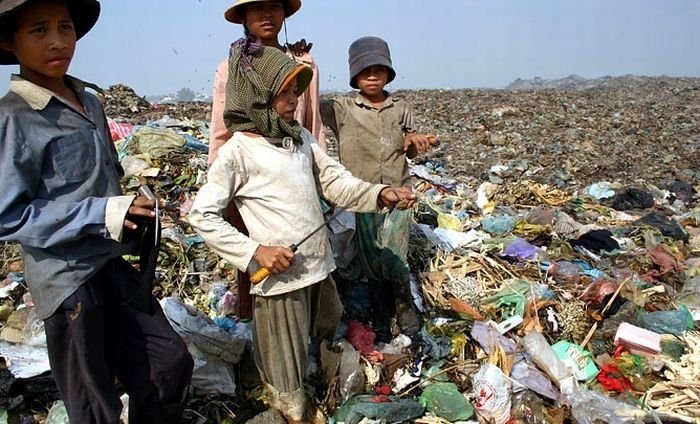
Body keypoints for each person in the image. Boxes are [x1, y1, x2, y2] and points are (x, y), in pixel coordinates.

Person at [188, 37, 416, 423]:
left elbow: (337, 183)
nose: (295, 101)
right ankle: (289, 411)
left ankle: (318, 390)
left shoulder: (300, 140)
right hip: (280, 279)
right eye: (284, 93)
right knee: (284, 361)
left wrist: (381, 194)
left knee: (325, 329)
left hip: (317, 266)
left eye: (296, 91)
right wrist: (254, 253)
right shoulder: (239, 152)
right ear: (258, 96)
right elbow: (202, 216)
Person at [0, 1, 193, 422]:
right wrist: (101, 213)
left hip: (109, 262)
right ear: (8, 42)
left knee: (167, 363)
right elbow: (7, 215)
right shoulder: (14, 118)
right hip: (66, 278)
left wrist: (134, 212)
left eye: (64, 27)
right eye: (38, 30)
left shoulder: (89, 101)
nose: (57, 41)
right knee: (93, 402)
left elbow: (104, 178)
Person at [210, 0, 325, 320]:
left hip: (295, 178)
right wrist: (221, 189)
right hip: (252, 184)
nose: (266, 14)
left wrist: (322, 182)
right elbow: (222, 131)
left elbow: (313, 125)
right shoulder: (231, 67)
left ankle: (305, 337)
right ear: (244, 17)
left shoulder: (303, 64)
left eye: (274, 6)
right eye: (256, 7)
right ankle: (258, 343)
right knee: (258, 268)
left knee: (302, 260)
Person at [321, 36, 434, 343]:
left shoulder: (401, 108)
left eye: (379, 70)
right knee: (372, 258)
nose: (372, 76)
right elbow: (303, 102)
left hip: (399, 193)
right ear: (354, 75)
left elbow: (409, 148)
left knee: (395, 256)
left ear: (388, 73)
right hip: (364, 196)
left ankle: (405, 308)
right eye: (365, 71)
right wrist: (303, 64)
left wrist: (414, 143)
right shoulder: (341, 108)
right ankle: (381, 317)